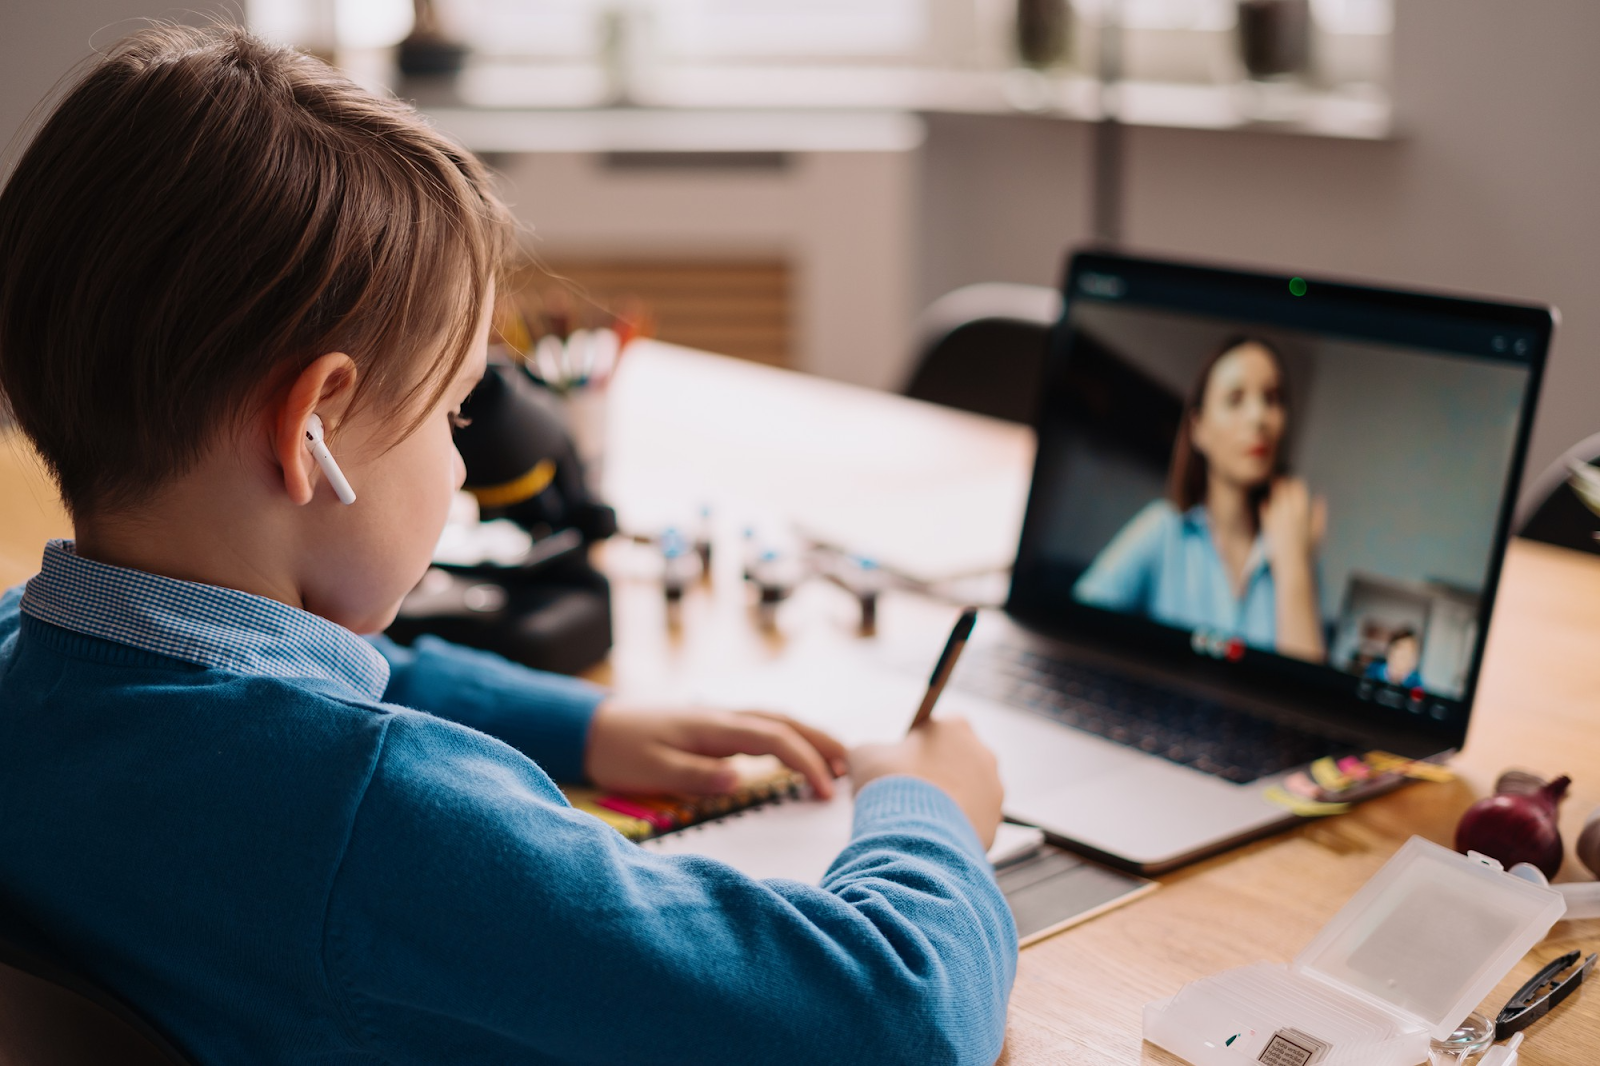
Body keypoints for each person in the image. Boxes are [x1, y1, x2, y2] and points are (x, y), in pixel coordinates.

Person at [0, 26, 1014, 1065]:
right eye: (453, 412)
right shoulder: (379, 818)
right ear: (315, 427)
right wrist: (925, 809)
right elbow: (896, 1024)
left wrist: (587, 724)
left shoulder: (29, 663)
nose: (456, 465)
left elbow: (257, 684)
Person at [1075, 336, 1327, 662]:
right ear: (1199, 428)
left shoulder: (1297, 550)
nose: (1259, 417)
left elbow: (1308, 702)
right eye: (1236, 399)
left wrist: (1294, 564)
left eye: (1272, 398)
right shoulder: (1164, 529)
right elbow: (1073, 628)